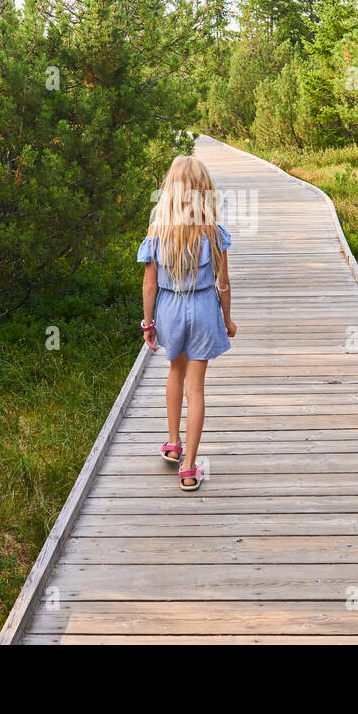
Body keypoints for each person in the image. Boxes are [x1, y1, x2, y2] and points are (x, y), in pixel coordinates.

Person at [137, 155, 237, 491]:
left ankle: (172, 442)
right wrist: (227, 319)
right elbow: (223, 283)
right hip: (204, 308)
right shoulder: (214, 231)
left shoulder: (158, 230)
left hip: (170, 308)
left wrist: (148, 323)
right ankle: (190, 468)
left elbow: (149, 285)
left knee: (174, 373)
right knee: (196, 389)